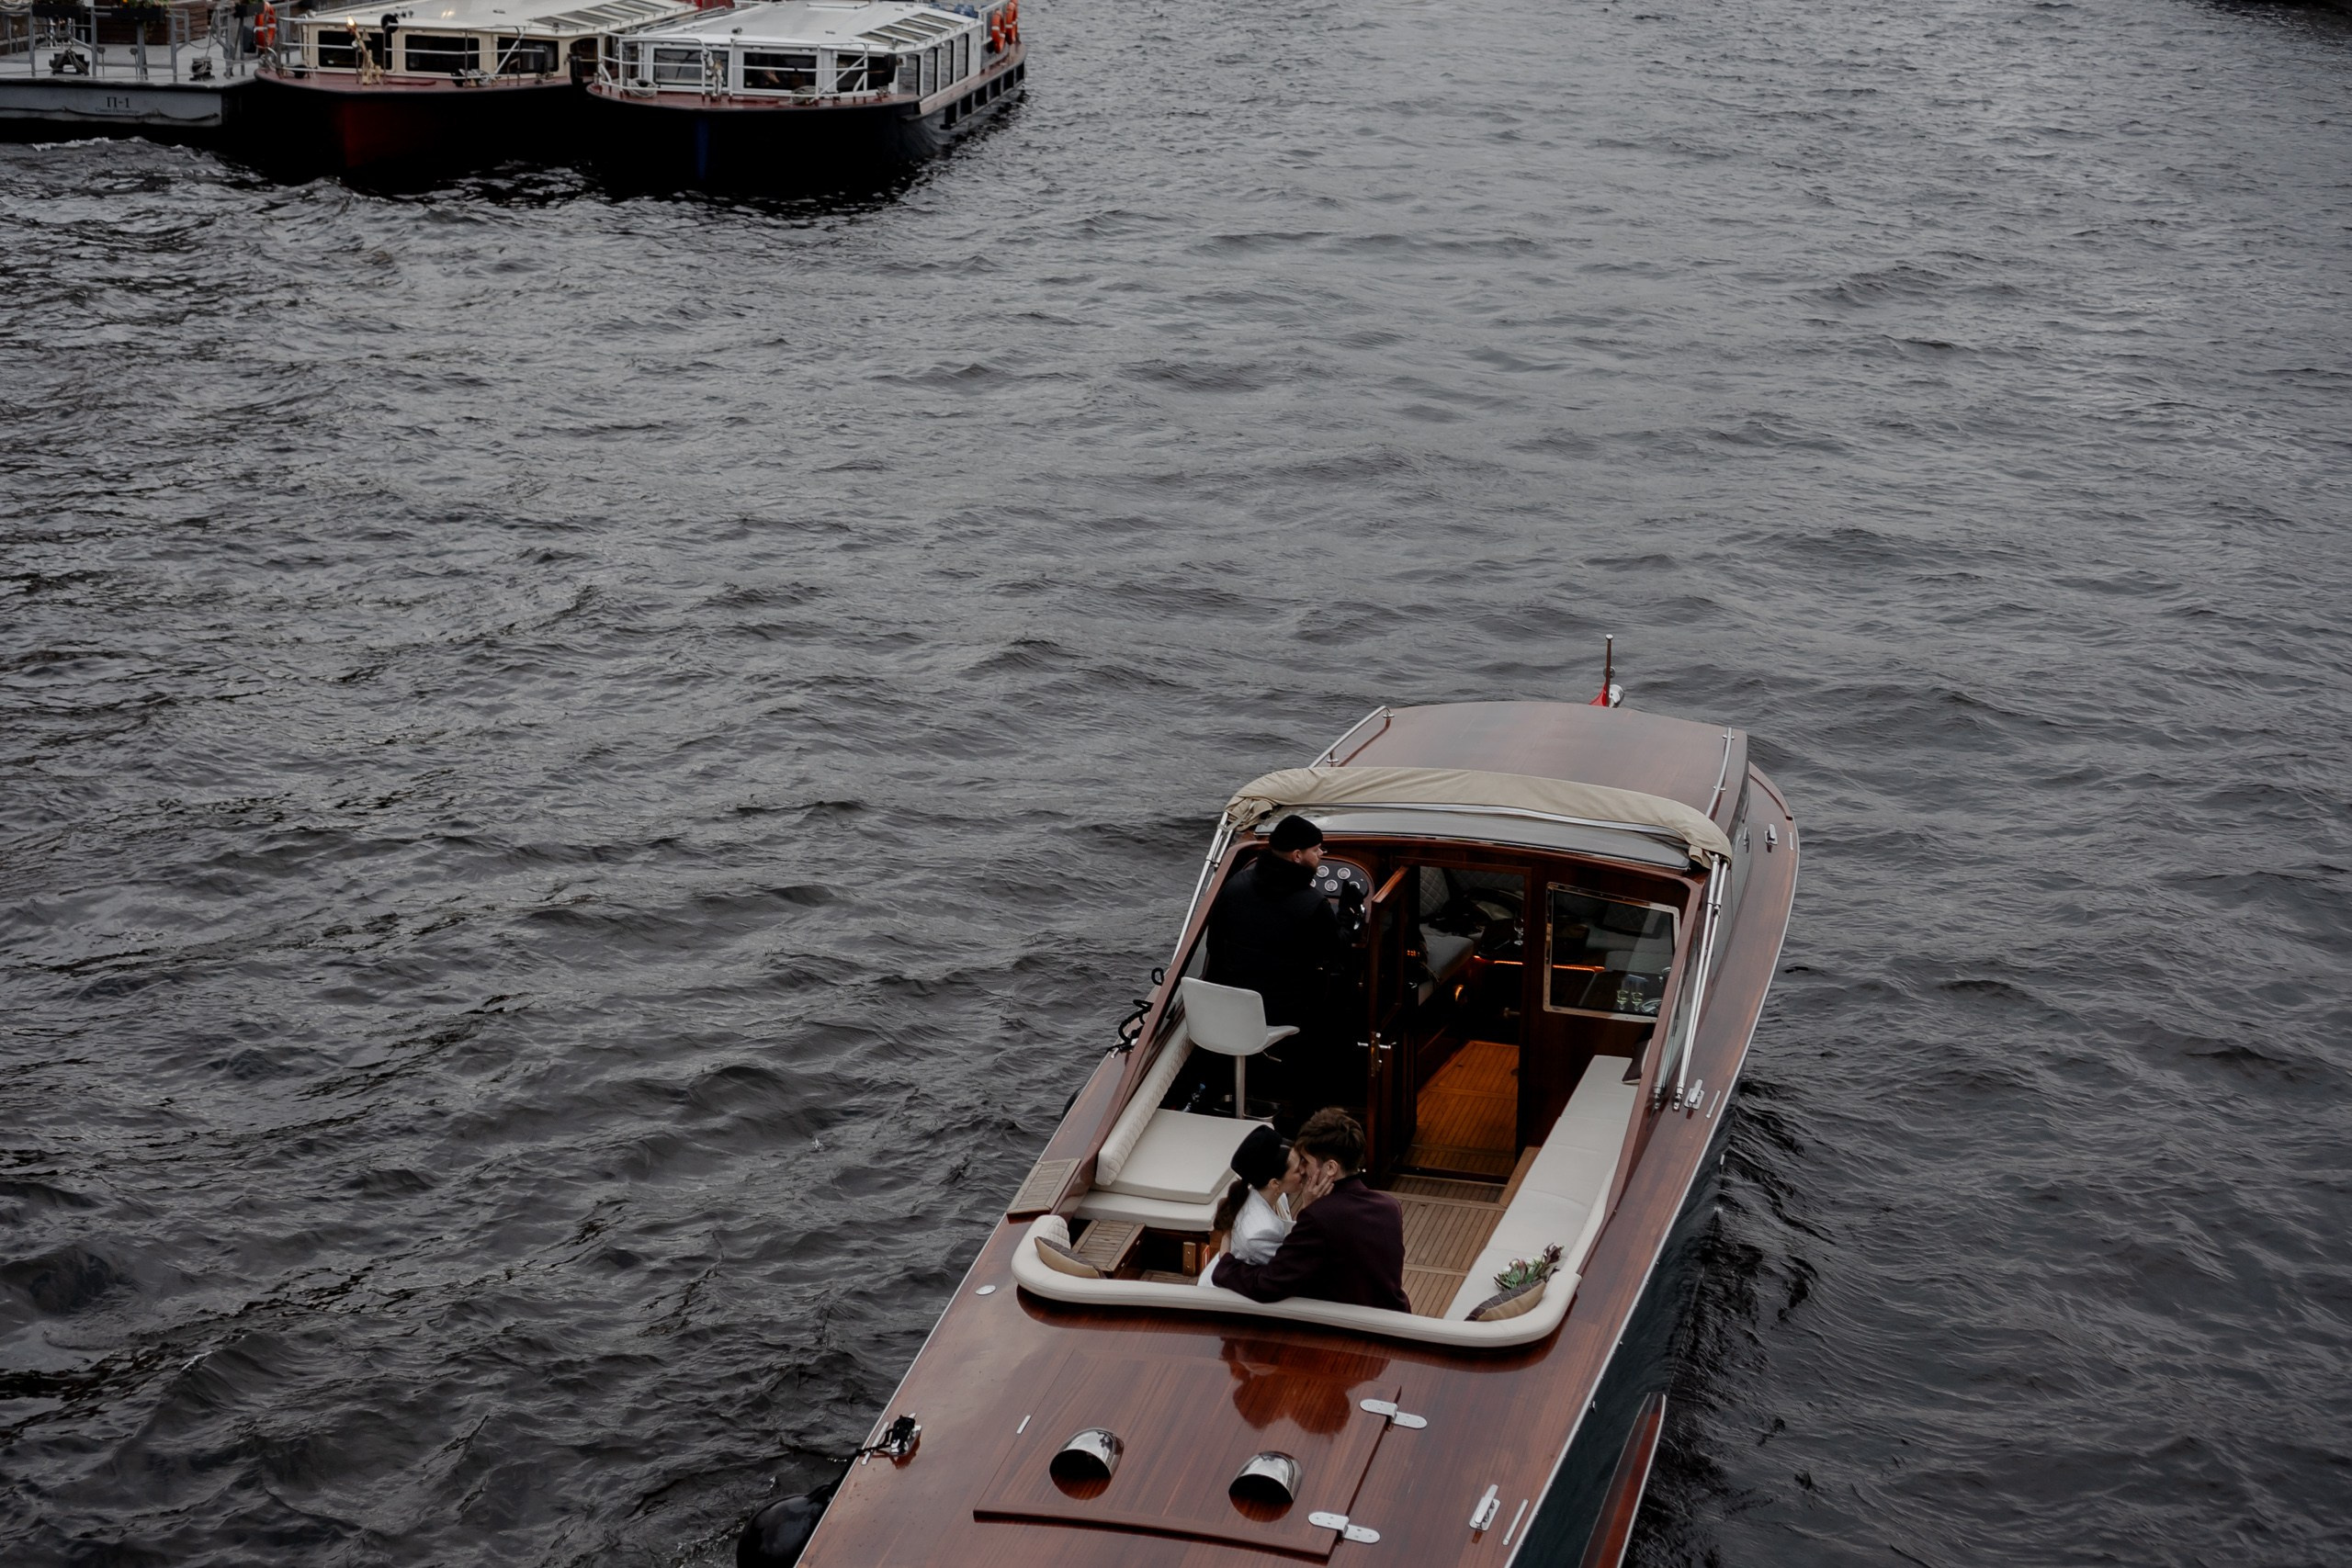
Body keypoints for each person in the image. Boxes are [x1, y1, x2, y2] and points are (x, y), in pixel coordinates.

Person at [1206, 1108, 1408, 1312]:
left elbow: (1268, 1284)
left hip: (1350, 1332)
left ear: (1330, 1168)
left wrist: (1225, 1264)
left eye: (1306, 1162)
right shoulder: (1390, 1207)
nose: (1302, 1170)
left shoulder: (1318, 1218)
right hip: (1396, 1320)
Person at [1198, 1123, 1294, 1286]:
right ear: (1275, 1183)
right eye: (1298, 1170)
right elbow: (1290, 1266)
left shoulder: (1277, 1197)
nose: (1305, 1172)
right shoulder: (1260, 1232)